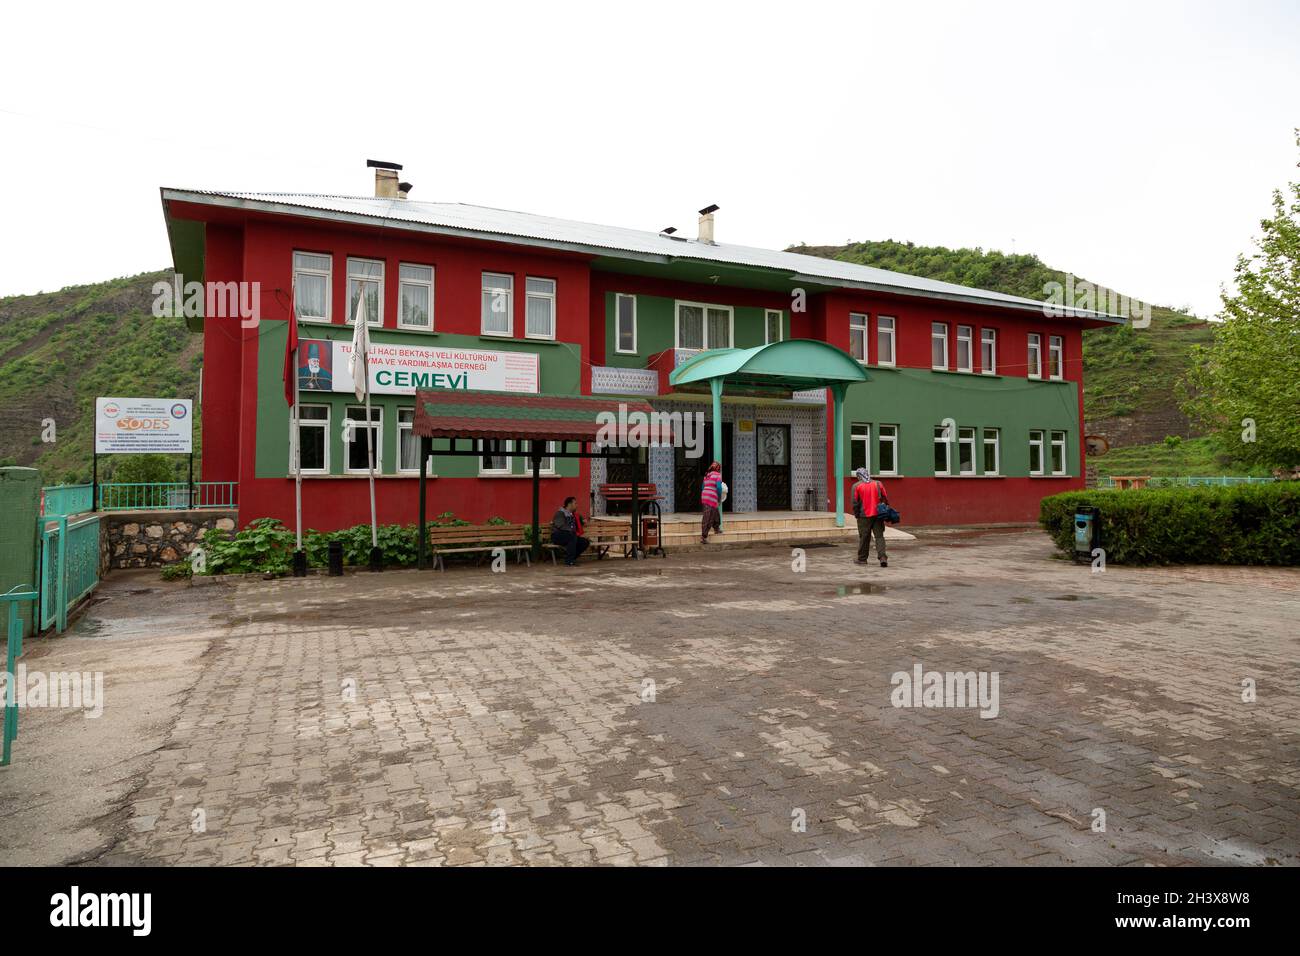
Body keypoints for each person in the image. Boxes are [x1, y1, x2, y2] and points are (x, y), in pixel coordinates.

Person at [851, 466, 889, 567]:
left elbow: (855, 503)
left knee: (864, 537)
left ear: (858, 476)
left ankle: (862, 559)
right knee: (879, 536)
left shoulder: (856, 486)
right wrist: (885, 508)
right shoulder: (878, 483)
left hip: (864, 516)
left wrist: (856, 514)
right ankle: (882, 557)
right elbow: (885, 497)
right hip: (878, 515)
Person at [551, 495, 590, 566]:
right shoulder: (560, 513)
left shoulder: (573, 514)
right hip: (557, 536)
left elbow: (579, 519)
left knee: (585, 542)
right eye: (575, 503)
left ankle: (570, 558)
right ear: (569, 504)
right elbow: (561, 525)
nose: (577, 505)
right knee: (572, 536)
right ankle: (569, 561)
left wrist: (583, 521)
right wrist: (571, 531)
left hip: (569, 536)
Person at [700, 461, 724, 544]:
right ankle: (703, 536)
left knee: (715, 512)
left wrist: (705, 494)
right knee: (708, 517)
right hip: (711, 497)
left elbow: (703, 486)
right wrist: (719, 498)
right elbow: (718, 487)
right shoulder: (717, 475)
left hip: (705, 496)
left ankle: (716, 528)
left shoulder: (707, 475)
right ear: (718, 469)